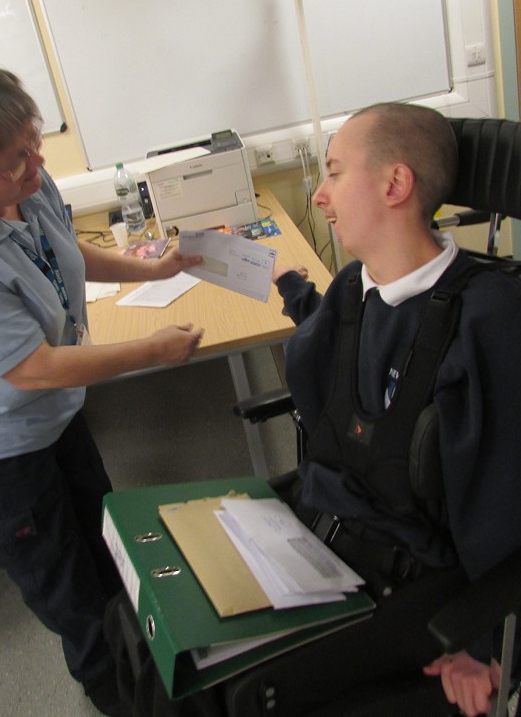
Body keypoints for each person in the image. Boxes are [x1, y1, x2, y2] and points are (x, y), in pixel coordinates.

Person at [104, 102, 521, 717]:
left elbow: (504, 501)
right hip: (316, 521)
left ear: (395, 184)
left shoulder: (488, 320)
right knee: (136, 614)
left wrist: (490, 646)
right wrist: (282, 279)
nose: (320, 195)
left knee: (198, 692)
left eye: (334, 172)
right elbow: (339, 333)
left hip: (407, 573)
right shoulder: (356, 285)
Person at [0, 59, 204, 717]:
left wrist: (154, 270)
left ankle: (151, 655)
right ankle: (119, 692)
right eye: (14, 160)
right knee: (69, 591)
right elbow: (32, 367)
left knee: (108, 541)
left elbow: (61, 252)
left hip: (54, 413)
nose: (36, 162)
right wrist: (153, 350)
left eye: (33, 139)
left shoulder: (28, 181)